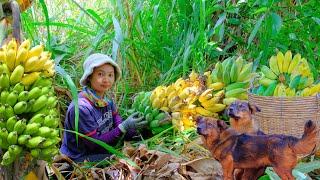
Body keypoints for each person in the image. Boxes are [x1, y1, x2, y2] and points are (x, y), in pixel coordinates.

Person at [60, 53, 148, 162]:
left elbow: (118, 123)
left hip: (101, 147)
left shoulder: (106, 100)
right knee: (121, 160)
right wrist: (125, 126)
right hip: (79, 156)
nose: (106, 79)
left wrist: (136, 128)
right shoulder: (81, 108)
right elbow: (95, 144)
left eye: (110, 75)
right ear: (89, 77)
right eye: (100, 74)